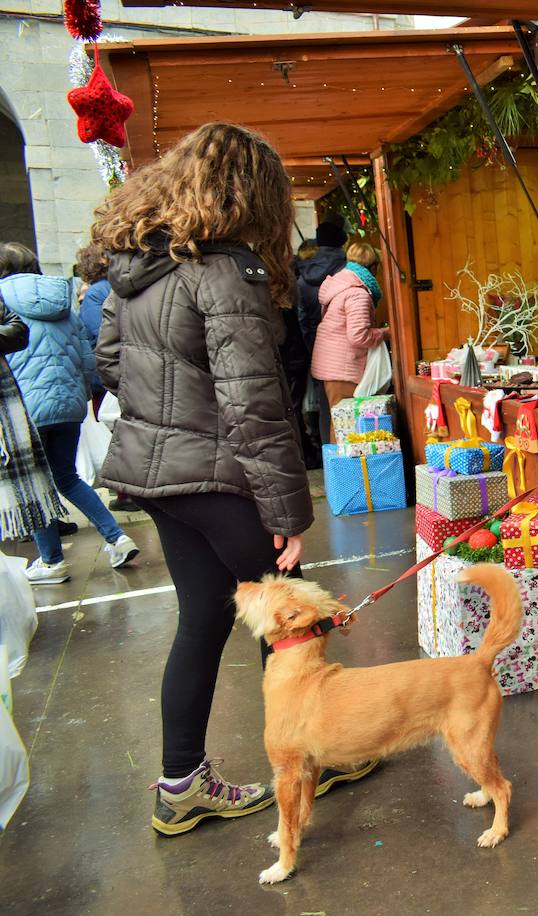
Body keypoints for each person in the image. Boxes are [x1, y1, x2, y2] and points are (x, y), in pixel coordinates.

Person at [89, 123, 373, 836]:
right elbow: (252, 403)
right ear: (253, 196)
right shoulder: (226, 271)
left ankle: (181, 785)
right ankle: (324, 751)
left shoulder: (136, 270)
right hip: (217, 476)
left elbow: (112, 364)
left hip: (157, 479)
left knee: (206, 617)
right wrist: (287, 511)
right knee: (293, 617)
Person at [0, 243, 139, 583]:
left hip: (26, 410)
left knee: (37, 485)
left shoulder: (3, 300)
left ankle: (51, 560)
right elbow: (85, 354)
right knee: (66, 477)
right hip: (69, 403)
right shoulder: (59, 297)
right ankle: (117, 537)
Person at [73, 242, 139, 511]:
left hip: (109, 378)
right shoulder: (122, 286)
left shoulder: (96, 294)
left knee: (115, 435)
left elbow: (102, 339)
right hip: (134, 374)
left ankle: (125, 493)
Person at [0, 295, 66, 546]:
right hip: (51, 399)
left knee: (42, 480)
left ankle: (52, 557)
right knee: (58, 477)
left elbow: (18, 331)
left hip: (20, 407)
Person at [311, 241, 388, 442]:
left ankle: (338, 470)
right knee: (345, 424)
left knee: (338, 421)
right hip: (343, 366)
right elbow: (359, 336)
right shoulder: (358, 293)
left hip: (333, 363)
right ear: (373, 267)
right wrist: (385, 333)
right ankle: (344, 472)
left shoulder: (341, 284)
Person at [297, 222, 347, 451]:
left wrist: (311, 346)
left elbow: (302, 318)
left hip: (316, 345)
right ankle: (349, 461)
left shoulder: (302, 276)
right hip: (345, 349)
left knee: (325, 406)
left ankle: (329, 456)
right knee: (346, 405)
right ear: (342, 240)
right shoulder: (346, 270)